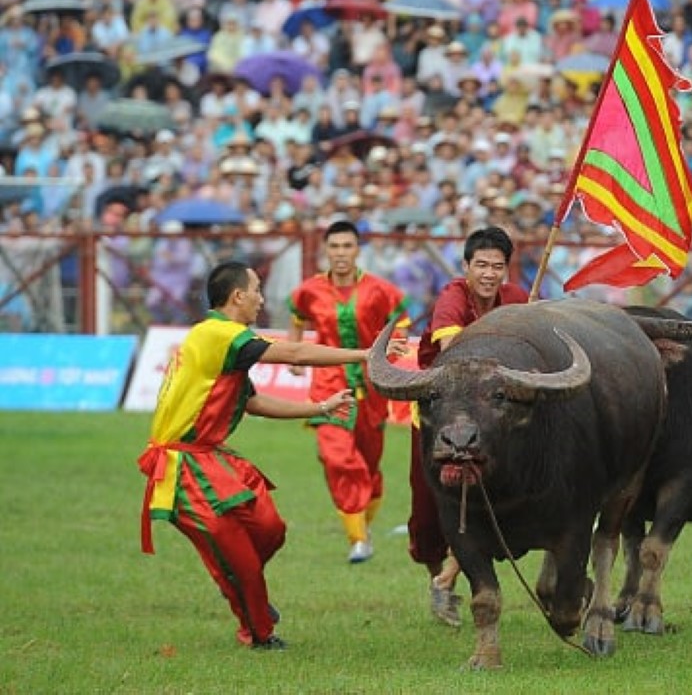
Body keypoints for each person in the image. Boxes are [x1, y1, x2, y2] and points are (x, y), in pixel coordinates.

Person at [137, 261, 402, 650]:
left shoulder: (220, 338)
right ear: (237, 296)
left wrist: (320, 407)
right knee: (242, 563)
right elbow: (294, 352)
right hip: (183, 466)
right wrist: (365, 355)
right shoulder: (218, 334)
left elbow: (253, 402)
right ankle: (258, 632)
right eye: (257, 289)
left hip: (210, 457)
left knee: (270, 529)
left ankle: (241, 586)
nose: (262, 298)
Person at [409, 226, 529, 626]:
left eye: (498, 266)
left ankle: (446, 579)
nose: (490, 274)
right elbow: (453, 355)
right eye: (481, 265)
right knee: (428, 514)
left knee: (490, 501)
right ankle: (438, 577)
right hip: (439, 417)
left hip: (494, 421)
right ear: (466, 267)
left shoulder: (517, 300)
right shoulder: (452, 298)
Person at [286, 220, 411, 563]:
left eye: (347, 246)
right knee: (337, 455)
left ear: (358, 250)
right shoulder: (308, 290)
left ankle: (364, 528)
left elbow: (399, 326)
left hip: (371, 387)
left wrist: (395, 348)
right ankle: (358, 539)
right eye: (334, 246)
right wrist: (294, 353)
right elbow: (297, 319)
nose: (340, 253)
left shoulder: (381, 290)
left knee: (369, 464)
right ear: (325, 250)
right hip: (327, 383)